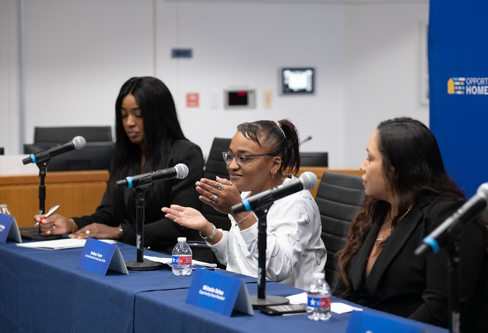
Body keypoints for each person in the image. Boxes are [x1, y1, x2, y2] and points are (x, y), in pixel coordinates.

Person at [333, 117, 488, 332]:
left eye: (370, 158)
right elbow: (346, 285)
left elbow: (439, 309)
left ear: (394, 169)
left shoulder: (449, 220)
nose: (362, 166)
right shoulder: (377, 208)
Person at [34, 76, 205, 256]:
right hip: (135, 252)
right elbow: (110, 211)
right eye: (124, 115)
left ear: (158, 115)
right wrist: (72, 224)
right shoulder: (126, 154)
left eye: (138, 114)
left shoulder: (186, 154)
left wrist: (120, 232)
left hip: (174, 256)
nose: (129, 122)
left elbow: (179, 223)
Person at [162, 119, 326, 290]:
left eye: (244, 158)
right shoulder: (248, 193)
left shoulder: (296, 201)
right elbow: (238, 259)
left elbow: (278, 270)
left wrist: (240, 213)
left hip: (289, 303)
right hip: (244, 292)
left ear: (275, 163)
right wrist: (207, 229)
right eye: (230, 156)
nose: (232, 165)